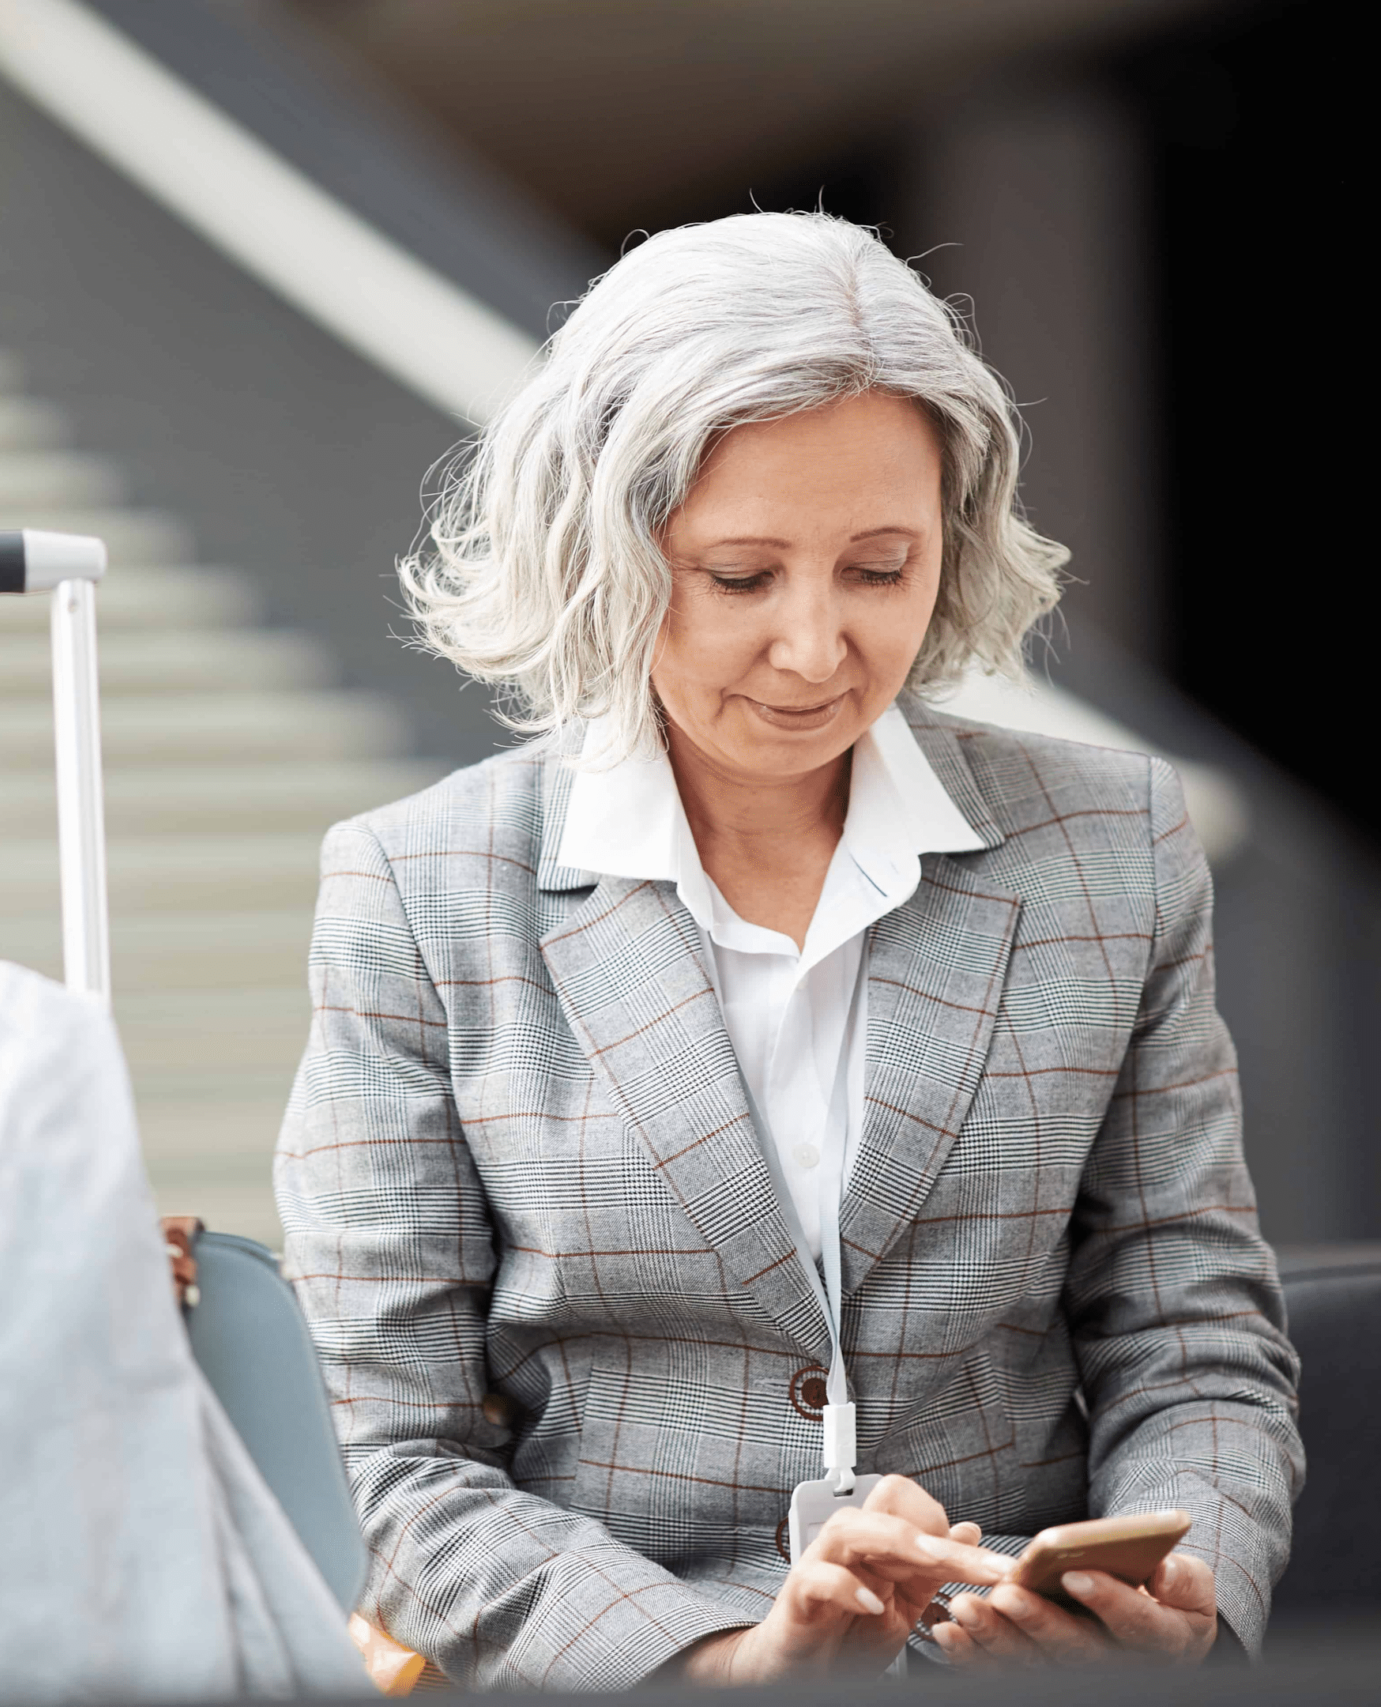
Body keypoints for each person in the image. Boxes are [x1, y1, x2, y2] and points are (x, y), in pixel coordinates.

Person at [274, 211, 1302, 1687]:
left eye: (878, 569)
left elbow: (1191, 1340)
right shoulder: (420, 891)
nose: (818, 651)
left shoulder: (1110, 845)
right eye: (742, 577)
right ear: (604, 556)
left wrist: (1179, 1597)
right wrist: (722, 1660)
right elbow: (382, 1453)